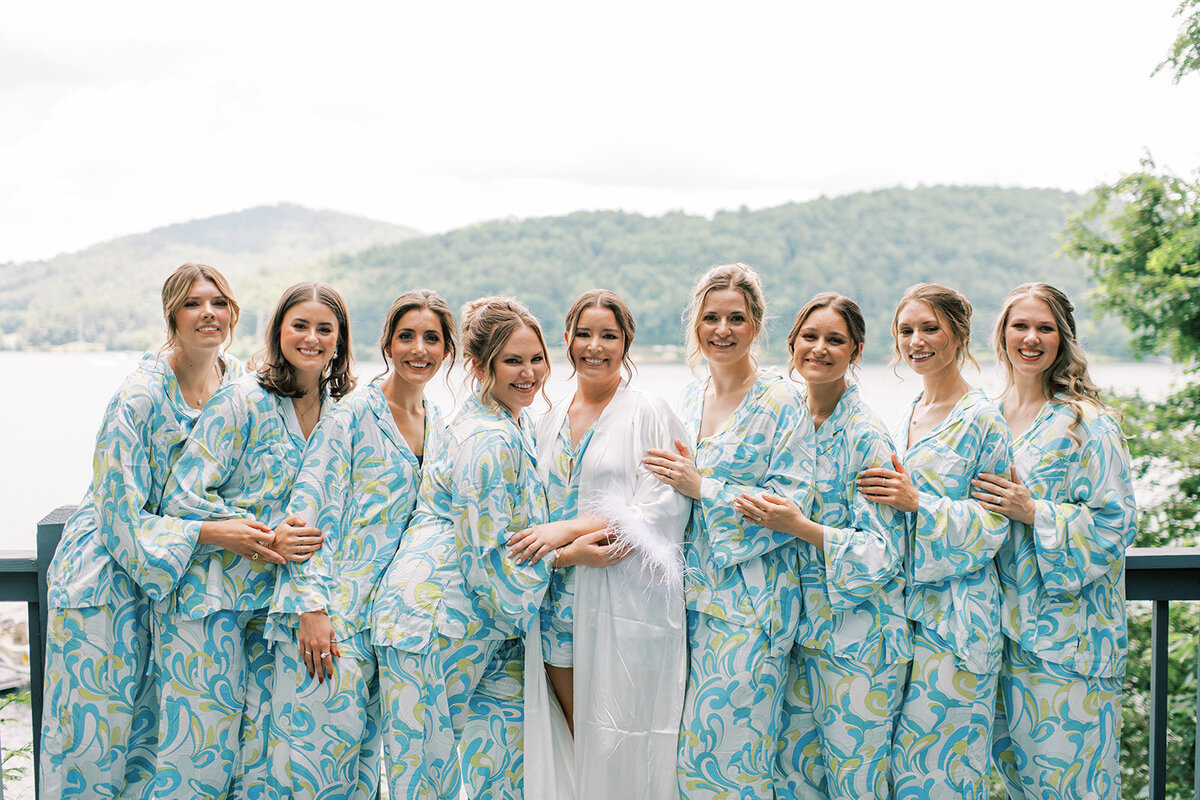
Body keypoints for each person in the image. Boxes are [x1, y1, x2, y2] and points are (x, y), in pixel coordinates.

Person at [373, 296, 618, 799]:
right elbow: (489, 558)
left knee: (509, 770)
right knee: (424, 780)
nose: (528, 373)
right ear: (481, 366)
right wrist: (571, 553)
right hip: (431, 620)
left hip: (493, 625)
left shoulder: (518, 422)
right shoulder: (487, 439)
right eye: (512, 361)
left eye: (536, 359)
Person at [42, 263, 246, 800]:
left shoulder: (237, 382)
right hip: (106, 570)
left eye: (218, 302)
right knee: (95, 733)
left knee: (158, 736)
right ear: (171, 315)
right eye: (193, 303)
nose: (208, 313)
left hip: (174, 575)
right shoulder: (139, 395)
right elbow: (116, 507)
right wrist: (212, 533)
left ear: (233, 313)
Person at [157, 281, 354, 798]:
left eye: (324, 329)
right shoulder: (243, 398)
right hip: (210, 600)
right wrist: (266, 539)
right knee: (196, 752)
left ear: (340, 339)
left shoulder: (341, 408)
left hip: (276, 608)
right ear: (278, 330)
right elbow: (182, 495)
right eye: (300, 326)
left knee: (262, 752)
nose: (311, 339)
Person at [266, 289, 456, 800]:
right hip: (334, 621)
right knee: (314, 772)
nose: (419, 349)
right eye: (407, 336)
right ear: (387, 344)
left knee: (364, 772)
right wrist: (311, 609)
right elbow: (305, 510)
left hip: (391, 626)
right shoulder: (351, 414)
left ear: (448, 349)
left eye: (432, 338)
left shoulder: (441, 425)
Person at [507, 288, 692, 799]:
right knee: (573, 738)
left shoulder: (648, 412)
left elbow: (658, 513)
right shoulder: (543, 420)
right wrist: (564, 551)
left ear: (626, 342)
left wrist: (565, 530)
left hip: (624, 605)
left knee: (621, 738)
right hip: (553, 604)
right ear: (566, 340)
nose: (595, 346)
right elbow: (526, 519)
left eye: (608, 335)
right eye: (584, 334)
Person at [643, 263, 815, 799]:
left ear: (756, 324)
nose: (722, 329)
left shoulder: (784, 401)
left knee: (728, 757)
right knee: (683, 750)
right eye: (711, 317)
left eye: (735, 318)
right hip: (689, 602)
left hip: (753, 608)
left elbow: (792, 503)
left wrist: (706, 488)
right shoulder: (688, 398)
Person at [735, 292, 909, 798]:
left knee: (858, 785)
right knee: (795, 782)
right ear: (791, 345)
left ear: (855, 351)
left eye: (835, 340)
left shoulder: (867, 436)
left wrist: (802, 526)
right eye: (809, 337)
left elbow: (882, 553)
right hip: (795, 633)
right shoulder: (781, 423)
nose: (820, 348)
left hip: (861, 641)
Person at [974, 283, 1137, 799]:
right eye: (1020, 325)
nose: (1031, 338)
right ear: (1001, 334)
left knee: (1074, 786)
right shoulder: (983, 417)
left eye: (1045, 327)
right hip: (996, 634)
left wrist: (1033, 511)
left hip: (1069, 644)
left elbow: (1116, 522)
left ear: (1062, 338)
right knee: (1018, 781)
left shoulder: (1086, 424)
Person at [858, 283, 1011, 800]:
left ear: (959, 333)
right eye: (906, 331)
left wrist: (918, 502)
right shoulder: (904, 413)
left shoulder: (983, 418)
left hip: (959, 618)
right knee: (899, 769)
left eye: (930, 328)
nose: (916, 341)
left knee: (943, 770)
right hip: (899, 614)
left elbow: (994, 523)